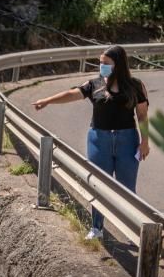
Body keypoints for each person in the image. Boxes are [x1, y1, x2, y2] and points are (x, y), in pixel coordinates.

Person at [32, 45, 149, 240]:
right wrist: (47, 100)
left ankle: (133, 232)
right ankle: (97, 228)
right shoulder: (94, 84)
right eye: (100, 62)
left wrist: (145, 142)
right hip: (98, 139)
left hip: (127, 140)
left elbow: (143, 116)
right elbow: (72, 94)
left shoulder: (136, 85)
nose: (101, 66)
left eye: (105, 63)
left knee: (127, 188)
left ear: (118, 64)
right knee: (98, 184)